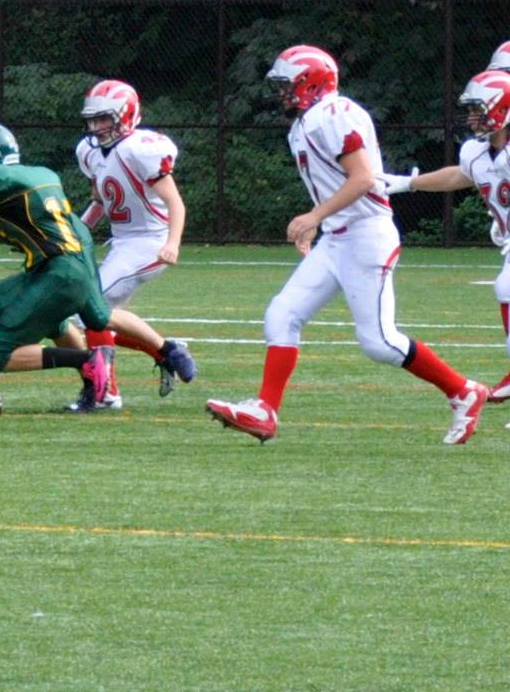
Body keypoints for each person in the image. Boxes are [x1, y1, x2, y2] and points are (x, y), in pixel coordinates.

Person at [204, 44, 489, 445]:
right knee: (282, 315)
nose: (281, 94)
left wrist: (314, 216)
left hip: (366, 235)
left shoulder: (335, 113)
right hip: (337, 238)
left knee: (379, 342)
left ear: (311, 84)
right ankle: (265, 411)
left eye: (288, 85)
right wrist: (318, 223)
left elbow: (363, 178)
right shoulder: (305, 123)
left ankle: (464, 391)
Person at [0, 122, 198, 431]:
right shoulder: (42, 173)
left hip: (58, 271)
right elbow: (77, 231)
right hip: (71, 259)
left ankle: (86, 362)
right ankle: (167, 350)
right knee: (94, 316)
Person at [382, 68, 510, 414]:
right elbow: (460, 175)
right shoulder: (477, 152)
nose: (472, 117)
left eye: (479, 109)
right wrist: (409, 183)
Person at [72, 78, 185, 411]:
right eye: (93, 119)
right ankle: (164, 352)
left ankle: (107, 392)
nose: (97, 126)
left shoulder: (140, 148)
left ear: (126, 115)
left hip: (151, 241)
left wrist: (173, 243)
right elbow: (99, 202)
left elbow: (176, 203)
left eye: (104, 118)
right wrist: (77, 232)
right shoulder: (90, 152)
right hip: (122, 243)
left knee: (91, 309)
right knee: (89, 316)